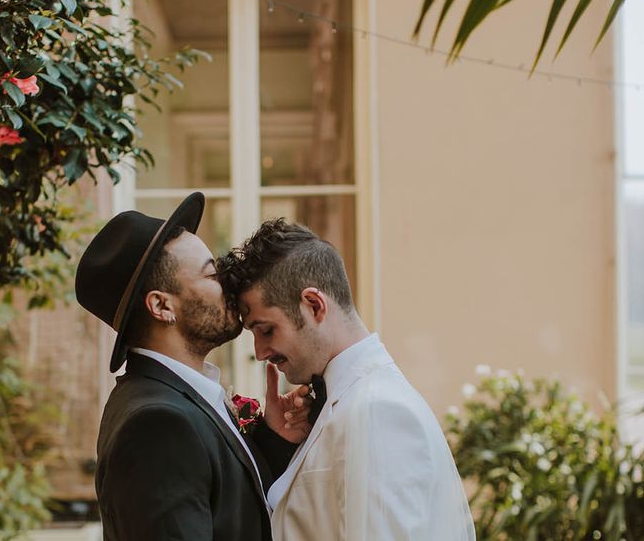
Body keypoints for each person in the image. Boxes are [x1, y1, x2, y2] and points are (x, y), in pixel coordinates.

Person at [219, 218, 476, 541]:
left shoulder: (377, 410)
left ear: (314, 305)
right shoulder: (346, 402)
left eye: (267, 330)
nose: (259, 352)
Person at [74, 193, 310, 541]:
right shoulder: (157, 424)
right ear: (161, 306)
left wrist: (271, 439)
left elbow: (227, 507)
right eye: (212, 274)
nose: (230, 284)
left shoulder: (170, 398)